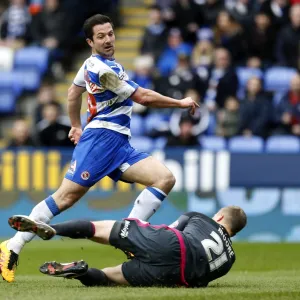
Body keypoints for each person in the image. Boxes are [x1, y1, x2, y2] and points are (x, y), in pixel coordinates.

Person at [0, 14, 198, 283]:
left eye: (110, 34)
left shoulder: (95, 64)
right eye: (101, 36)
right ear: (90, 41)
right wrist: (181, 102)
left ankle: (131, 239)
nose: (108, 40)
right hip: (102, 140)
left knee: (164, 178)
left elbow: (72, 94)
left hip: (119, 144)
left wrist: (74, 125)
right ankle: (11, 247)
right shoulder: (104, 70)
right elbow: (143, 97)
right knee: (66, 197)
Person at [8, 205, 247, 287]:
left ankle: (53, 229)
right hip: (175, 275)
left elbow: (171, 230)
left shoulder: (199, 217)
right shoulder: (230, 260)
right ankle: (81, 272)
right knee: (109, 278)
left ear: (221, 218)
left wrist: (139, 239)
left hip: (174, 243)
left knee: (100, 229)